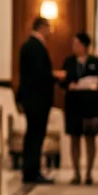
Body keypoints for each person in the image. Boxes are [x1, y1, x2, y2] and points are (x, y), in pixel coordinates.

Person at [62, 31, 98, 185]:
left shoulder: (96, 62)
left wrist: (96, 85)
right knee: (74, 138)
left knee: (90, 138)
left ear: (85, 46)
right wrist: (69, 85)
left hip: (90, 104)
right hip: (73, 104)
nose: (74, 47)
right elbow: (63, 80)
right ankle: (76, 172)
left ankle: (89, 172)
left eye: (77, 44)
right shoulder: (69, 62)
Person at [17, 15, 56, 185]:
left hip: (31, 99)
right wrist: (54, 77)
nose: (50, 31)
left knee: (32, 135)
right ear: (42, 27)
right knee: (35, 135)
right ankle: (32, 171)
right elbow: (37, 75)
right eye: (48, 28)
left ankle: (31, 169)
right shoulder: (35, 47)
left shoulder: (27, 46)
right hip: (37, 99)